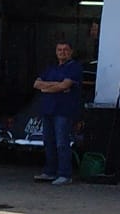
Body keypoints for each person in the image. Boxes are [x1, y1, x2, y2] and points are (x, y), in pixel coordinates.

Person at [32, 37, 85, 185]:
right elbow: (36, 84)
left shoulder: (75, 67)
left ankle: (65, 174)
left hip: (64, 111)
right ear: (56, 52)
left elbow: (65, 85)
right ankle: (49, 172)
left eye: (65, 50)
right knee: (48, 142)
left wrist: (47, 87)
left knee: (62, 143)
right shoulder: (51, 68)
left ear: (71, 52)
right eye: (59, 50)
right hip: (48, 110)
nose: (62, 53)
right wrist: (57, 85)